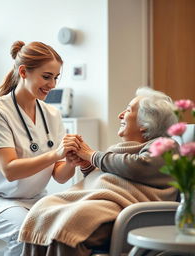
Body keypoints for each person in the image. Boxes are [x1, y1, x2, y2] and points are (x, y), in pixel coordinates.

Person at [19, 87, 179, 256]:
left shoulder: (165, 147)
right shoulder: (121, 151)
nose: (120, 115)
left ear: (146, 124)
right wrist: (87, 164)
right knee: (43, 209)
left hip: (127, 212)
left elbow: (139, 168)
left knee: (71, 223)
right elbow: (110, 180)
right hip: (103, 203)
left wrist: (91, 155)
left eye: (129, 110)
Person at [0, 41, 82, 256]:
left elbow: (59, 175)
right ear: (23, 72)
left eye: (56, 77)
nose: (52, 84)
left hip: (35, 200)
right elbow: (10, 170)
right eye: (46, 77)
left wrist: (70, 162)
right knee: (27, 234)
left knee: (69, 233)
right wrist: (56, 154)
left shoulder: (52, 114)